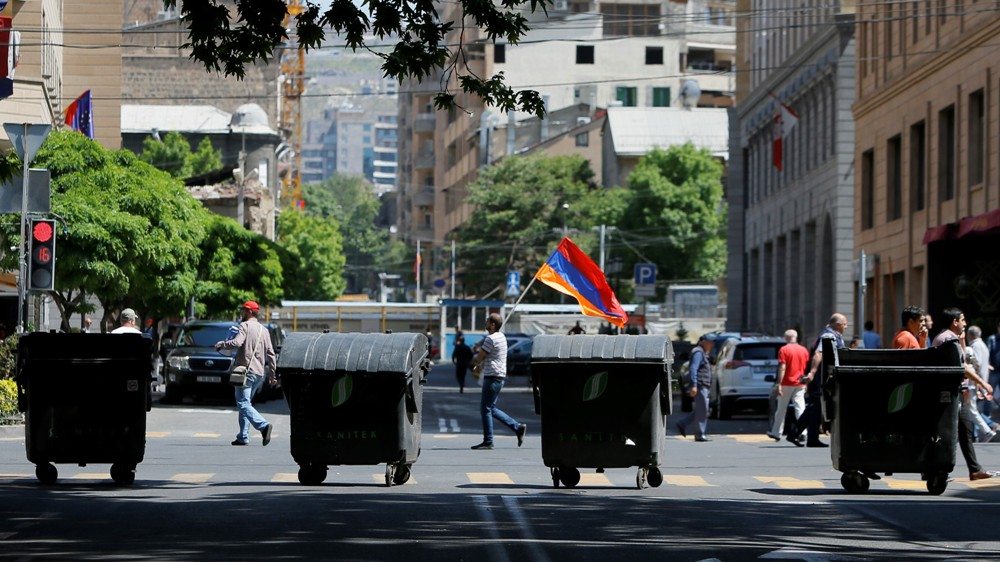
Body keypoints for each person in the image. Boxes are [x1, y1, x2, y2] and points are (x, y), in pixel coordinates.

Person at [931, 307, 997, 480]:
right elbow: (963, 368)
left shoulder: (945, 338)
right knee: (948, 431)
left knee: (965, 427)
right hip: (951, 394)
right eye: (962, 320)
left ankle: (974, 469)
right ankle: (935, 468)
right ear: (955, 322)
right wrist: (982, 383)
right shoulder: (949, 340)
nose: (965, 323)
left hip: (955, 392)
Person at [215, 300, 276, 447]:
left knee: (242, 403)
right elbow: (271, 354)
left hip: (245, 372)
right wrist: (273, 375)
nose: (242, 312)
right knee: (246, 403)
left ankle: (263, 426)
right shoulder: (264, 330)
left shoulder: (244, 326)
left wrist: (222, 344)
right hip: (259, 374)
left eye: (243, 310)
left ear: (249, 311)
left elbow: (237, 343)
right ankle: (243, 436)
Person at [790, 313, 849, 447]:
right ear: (838, 324)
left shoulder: (832, 335)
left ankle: (808, 437)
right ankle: (799, 434)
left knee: (815, 407)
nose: (846, 327)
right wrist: (812, 373)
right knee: (815, 406)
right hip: (820, 378)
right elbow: (818, 354)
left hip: (824, 378)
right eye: (845, 324)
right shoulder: (828, 335)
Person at [469, 313, 526, 450]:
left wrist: (474, 361)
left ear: (493, 324)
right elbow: (489, 356)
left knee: (485, 409)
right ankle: (517, 427)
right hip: (499, 376)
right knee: (491, 408)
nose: (486, 322)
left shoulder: (491, 339)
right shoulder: (501, 337)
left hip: (492, 377)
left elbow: (480, 357)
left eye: (488, 320)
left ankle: (488, 441)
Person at [767, 329, 810, 443]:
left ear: (786, 338)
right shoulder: (804, 350)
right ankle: (803, 432)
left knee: (781, 409)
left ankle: (776, 432)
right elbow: (806, 367)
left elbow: (782, 367)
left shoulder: (784, 349)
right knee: (800, 407)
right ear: (796, 337)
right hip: (800, 382)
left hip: (787, 383)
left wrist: (779, 383)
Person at [676, 334, 714, 442]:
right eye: (710, 342)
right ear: (703, 342)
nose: (711, 345)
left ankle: (682, 423)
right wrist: (694, 385)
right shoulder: (698, 352)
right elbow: (693, 368)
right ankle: (699, 434)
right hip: (700, 384)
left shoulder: (703, 352)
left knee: (703, 409)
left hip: (704, 385)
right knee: (703, 409)